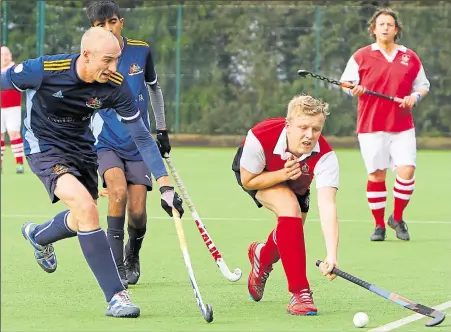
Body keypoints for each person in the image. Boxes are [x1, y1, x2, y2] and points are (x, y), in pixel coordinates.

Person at [0, 27, 184, 318]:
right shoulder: (44, 70)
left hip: (83, 150)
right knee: (87, 209)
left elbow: (141, 136)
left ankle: (38, 235)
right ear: (86, 55)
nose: (114, 68)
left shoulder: (115, 84)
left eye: (117, 60)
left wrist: (164, 184)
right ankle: (116, 296)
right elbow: (4, 81)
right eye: (108, 61)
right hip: (44, 148)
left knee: (82, 216)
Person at [87, 1, 170, 288]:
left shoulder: (141, 50)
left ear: (120, 22)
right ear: (92, 30)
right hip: (106, 141)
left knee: (137, 211)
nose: (107, 30)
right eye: (100, 26)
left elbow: (154, 89)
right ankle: (116, 266)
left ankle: (132, 255)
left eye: (111, 22)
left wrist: (162, 129)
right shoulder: (89, 59)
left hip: (138, 141)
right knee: (117, 192)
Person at [232, 95, 339, 316]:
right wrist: (281, 174)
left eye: (316, 129)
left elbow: (328, 205)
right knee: (290, 209)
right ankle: (300, 293)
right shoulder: (260, 137)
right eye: (303, 127)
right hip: (259, 173)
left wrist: (332, 255)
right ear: (288, 125)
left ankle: (262, 255)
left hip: (298, 184)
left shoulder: (326, 156)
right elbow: (248, 180)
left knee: (291, 234)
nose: (310, 135)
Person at [340, 8, 430, 242]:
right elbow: (345, 83)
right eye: (381, 24)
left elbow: (423, 85)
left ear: (396, 29)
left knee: (407, 171)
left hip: (402, 126)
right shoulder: (361, 55)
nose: (385, 28)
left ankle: (397, 218)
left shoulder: (410, 57)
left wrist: (414, 97)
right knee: (377, 175)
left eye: (390, 24)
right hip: (371, 126)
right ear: (373, 29)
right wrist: (354, 88)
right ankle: (379, 225)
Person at [1, 46, 25, 173]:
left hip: (13, 108)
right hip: (0, 109)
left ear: (10, 55)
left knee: (14, 133)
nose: (4, 56)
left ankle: (19, 164)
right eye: (2, 54)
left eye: (6, 53)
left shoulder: (15, 69)